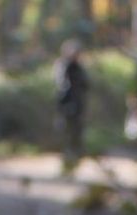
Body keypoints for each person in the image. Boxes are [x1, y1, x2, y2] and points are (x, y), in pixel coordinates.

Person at [54, 40, 89, 172]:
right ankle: (66, 154)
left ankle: (75, 154)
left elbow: (86, 84)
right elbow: (61, 84)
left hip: (78, 103)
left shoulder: (79, 67)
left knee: (77, 129)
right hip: (66, 104)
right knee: (66, 129)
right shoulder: (63, 65)